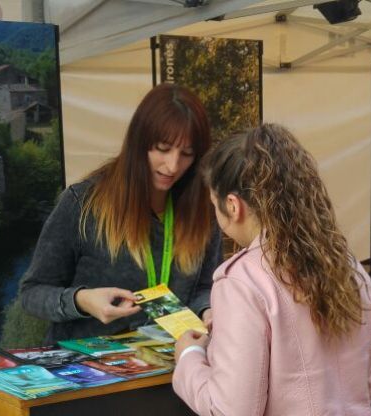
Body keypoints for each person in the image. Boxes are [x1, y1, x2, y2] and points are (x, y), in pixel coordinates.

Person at [172, 123, 371, 416]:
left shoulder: (241, 280)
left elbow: (231, 411)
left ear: (232, 205)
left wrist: (189, 358)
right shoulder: (347, 265)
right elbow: (366, 386)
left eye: (213, 205)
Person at [19, 84, 222, 344]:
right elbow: (32, 293)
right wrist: (82, 301)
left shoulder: (202, 211)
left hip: (171, 372)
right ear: (140, 142)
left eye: (186, 154)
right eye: (162, 148)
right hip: (89, 376)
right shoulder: (83, 203)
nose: (172, 165)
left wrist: (208, 311)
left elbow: (205, 287)